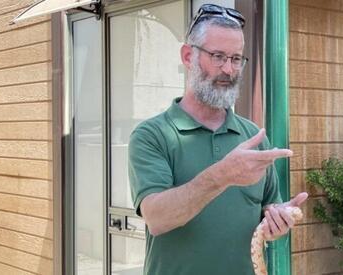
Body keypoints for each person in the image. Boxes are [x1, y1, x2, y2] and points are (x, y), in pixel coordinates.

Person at [128, 4, 308, 275]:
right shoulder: (152, 135)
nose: (228, 69)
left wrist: (277, 222)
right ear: (188, 56)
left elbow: (266, 216)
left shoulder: (253, 137)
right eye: (218, 56)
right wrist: (223, 174)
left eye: (236, 59)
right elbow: (157, 218)